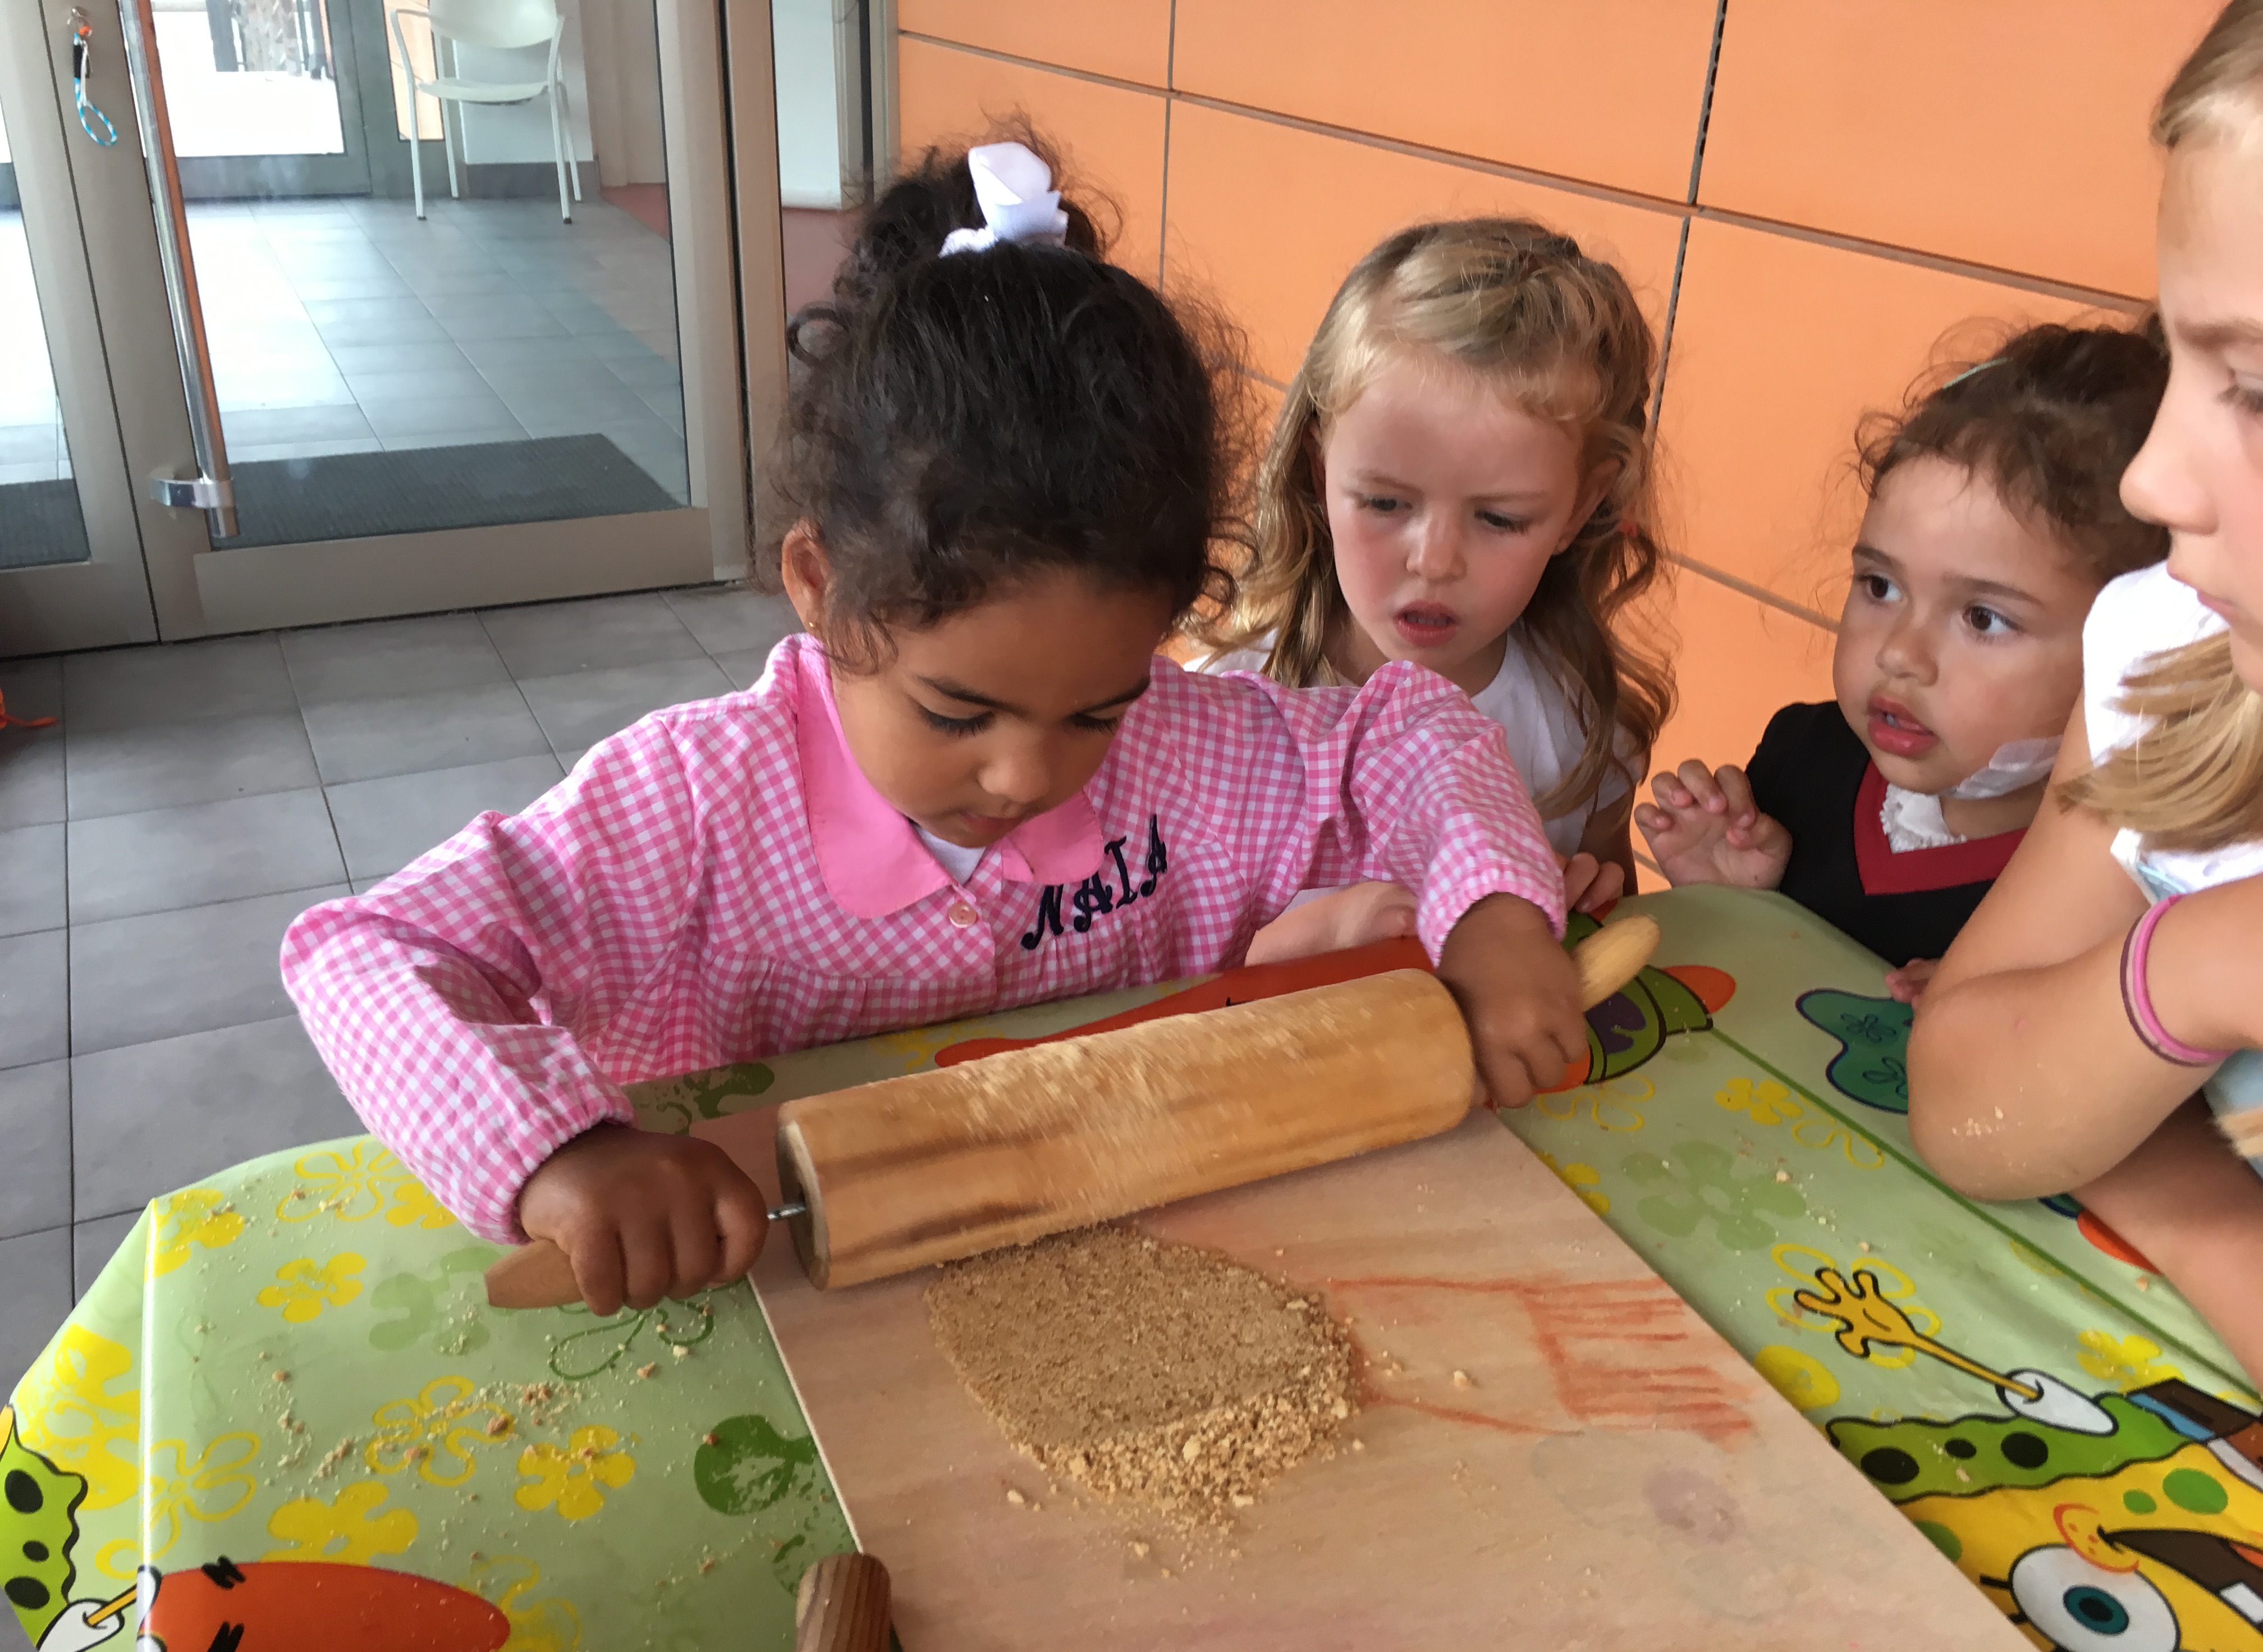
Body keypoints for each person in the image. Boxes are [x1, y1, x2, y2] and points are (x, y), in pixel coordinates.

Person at [281, 139, 1581, 1317]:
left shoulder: (1188, 755)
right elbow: (369, 953)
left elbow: (1408, 732)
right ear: (819, 584)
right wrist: (567, 1159)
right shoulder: (694, 801)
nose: (1026, 773)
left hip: (1124, 1279)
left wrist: (1494, 915)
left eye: (1098, 707)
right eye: (958, 711)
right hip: (788, 1306)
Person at [1909, 0, 2263, 1386]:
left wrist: (2133, 1130)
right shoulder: (2176, 664)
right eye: (2184, 359)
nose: (2152, 479)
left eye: (2259, 391)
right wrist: (2209, 965)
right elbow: (1966, 1096)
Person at [1634, 322, 2168, 1001]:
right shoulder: (1803, 756)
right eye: (1880, 586)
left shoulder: (2130, 906)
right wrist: (1732, 907)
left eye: (1983, 619)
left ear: (2143, 652)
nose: (1898, 653)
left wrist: (2031, 1024)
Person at [1194, 218, 1674, 964]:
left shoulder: (1579, 725)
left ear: (1582, 507)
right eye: (1385, 503)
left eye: (1500, 519)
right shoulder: (1221, 712)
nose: (1436, 561)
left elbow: (1611, 942)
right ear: (1319, 471)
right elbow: (1157, 982)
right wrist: (1322, 937)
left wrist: (1583, 905)